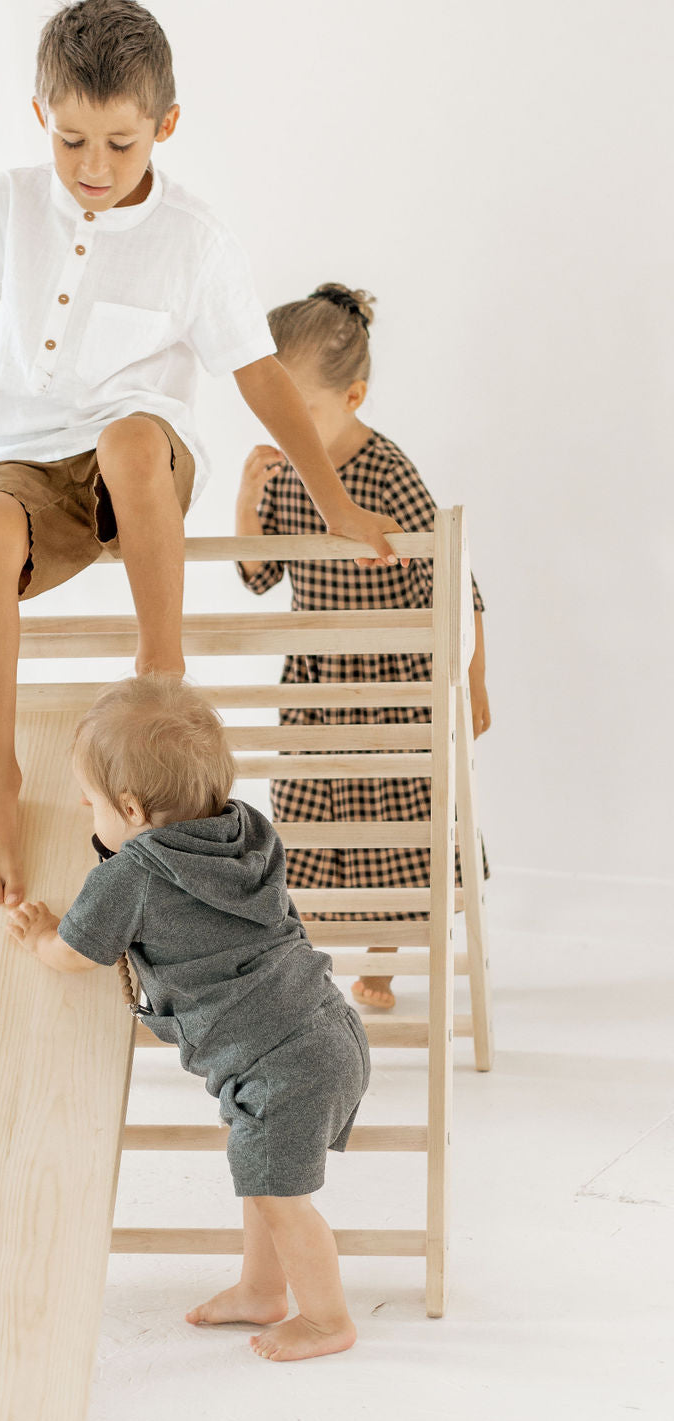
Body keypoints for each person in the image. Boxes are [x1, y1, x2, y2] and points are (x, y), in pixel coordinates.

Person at [0, 1, 402, 910]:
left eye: (120, 145)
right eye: (72, 139)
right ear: (41, 113)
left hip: (144, 462)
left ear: (165, 126)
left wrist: (333, 501)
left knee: (125, 434)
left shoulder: (195, 240)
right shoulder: (9, 206)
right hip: (31, 459)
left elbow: (261, 376)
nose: (93, 168)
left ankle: (162, 669)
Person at [6, 674, 371, 1363]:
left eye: (92, 804)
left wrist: (39, 936)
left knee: (280, 1194)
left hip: (280, 1062)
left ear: (134, 809)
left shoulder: (133, 876)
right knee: (260, 1172)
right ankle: (262, 1290)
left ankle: (328, 1320)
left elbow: (74, 954)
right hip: (325, 1025)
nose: (88, 815)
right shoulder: (245, 830)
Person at [236, 283, 491, 1010]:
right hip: (318, 685)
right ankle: (305, 955)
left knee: (398, 821)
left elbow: (458, 582)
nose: (287, 429)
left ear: (352, 399)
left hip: (391, 678)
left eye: (303, 412)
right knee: (313, 820)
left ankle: (383, 959)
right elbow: (260, 575)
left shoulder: (385, 469)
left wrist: (473, 684)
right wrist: (248, 502)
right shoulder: (285, 469)